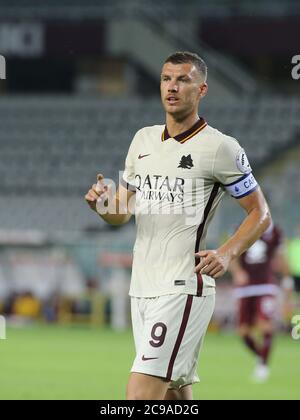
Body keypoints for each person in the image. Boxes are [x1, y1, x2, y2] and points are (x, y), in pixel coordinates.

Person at [85, 52, 271, 400]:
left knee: (141, 394)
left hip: (183, 286)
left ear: (201, 90)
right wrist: (103, 205)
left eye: (182, 79)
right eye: (166, 79)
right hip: (142, 286)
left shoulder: (220, 148)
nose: (172, 87)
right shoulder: (142, 140)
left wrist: (228, 253)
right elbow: (123, 211)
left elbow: (260, 213)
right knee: (173, 394)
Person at [230, 223, 294, 382]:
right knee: (244, 332)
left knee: (266, 326)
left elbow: (281, 258)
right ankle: (261, 357)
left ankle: (263, 366)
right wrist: (238, 272)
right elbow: (230, 254)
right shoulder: (241, 227)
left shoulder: (275, 232)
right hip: (245, 288)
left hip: (265, 285)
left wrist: (287, 281)